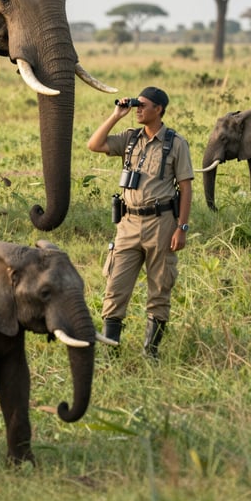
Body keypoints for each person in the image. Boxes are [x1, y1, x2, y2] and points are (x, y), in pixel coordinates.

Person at [87, 86, 193, 358]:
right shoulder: (130, 139)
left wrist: (181, 227)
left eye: (143, 105)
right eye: (137, 105)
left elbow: (186, 188)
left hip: (162, 223)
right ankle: (112, 351)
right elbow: (94, 144)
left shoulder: (175, 143)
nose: (138, 109)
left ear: (159, 109)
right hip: (128, 223)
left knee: (159, 288)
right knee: (115, 288)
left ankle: (151, 352)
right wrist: (115, 116)